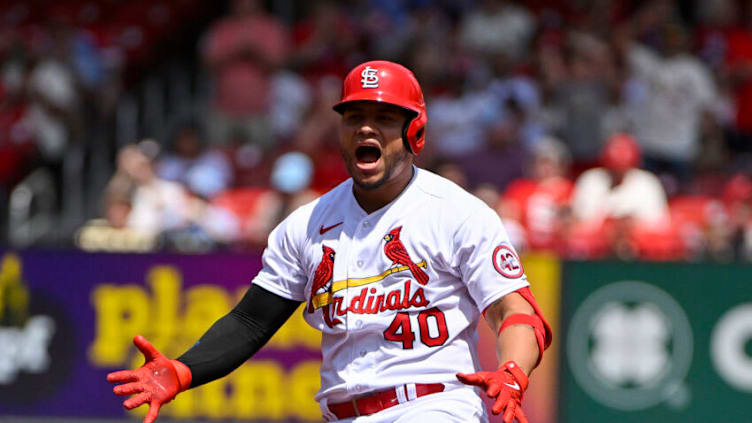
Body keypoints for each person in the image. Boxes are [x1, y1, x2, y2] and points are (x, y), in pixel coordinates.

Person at [106, 61, 551, 423]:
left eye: (384, 118)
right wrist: (185, 369)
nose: (365, 129)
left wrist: (512, 371)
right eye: (354, 117)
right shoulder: (306, 225)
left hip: (434, 405)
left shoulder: (456, 212)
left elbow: (516, 311)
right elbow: (250, 322)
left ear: (414, 132)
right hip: (340, 413)